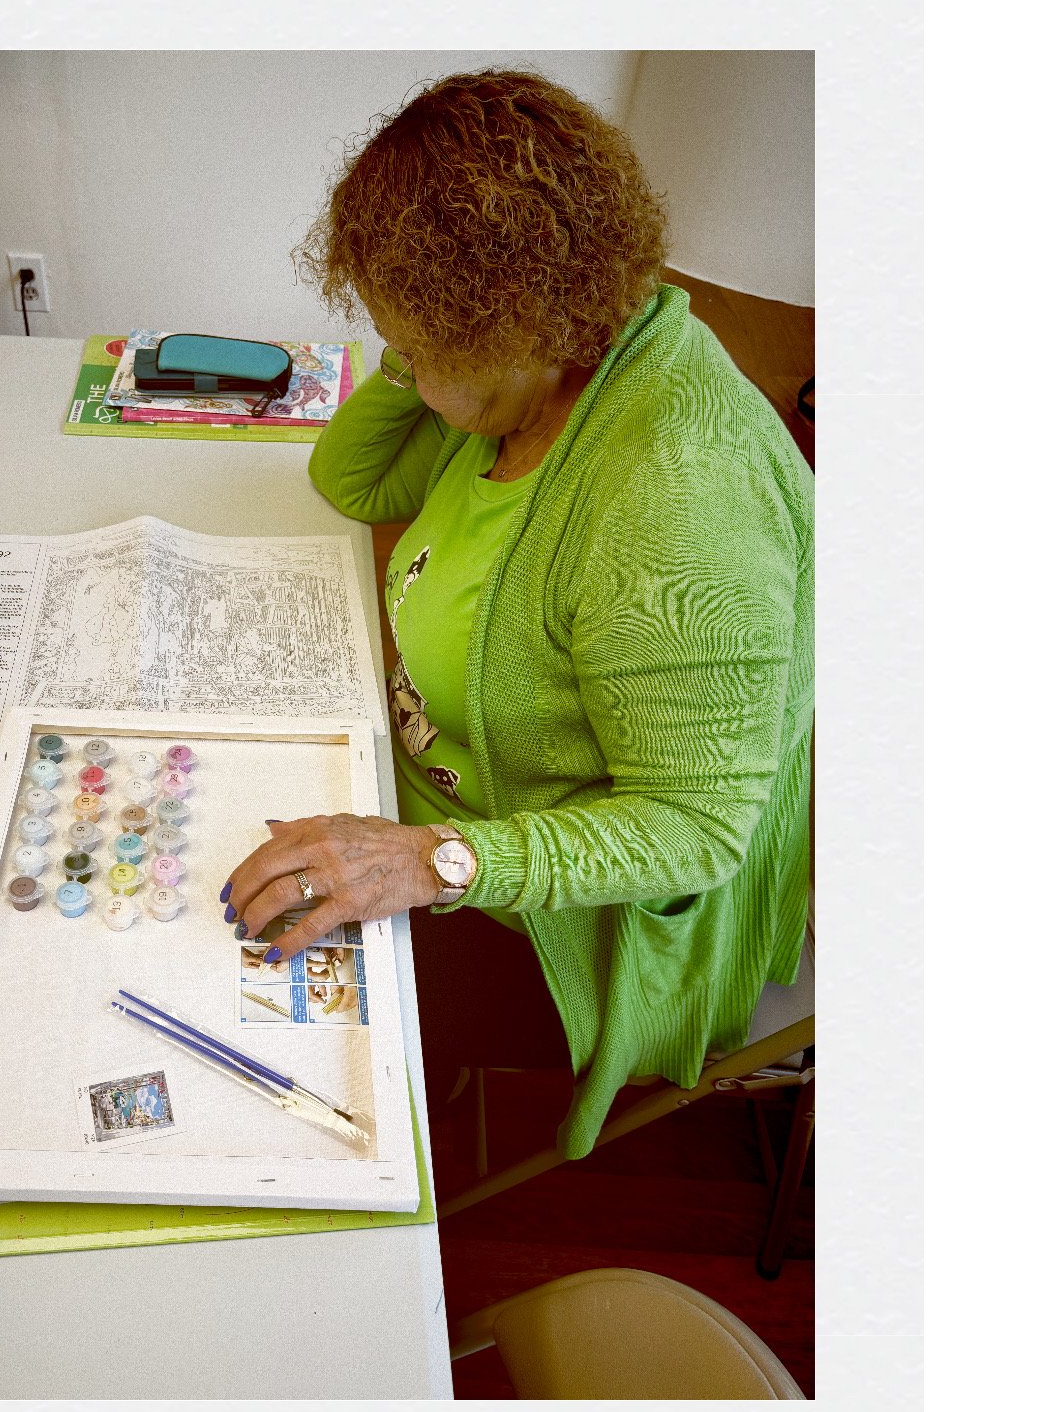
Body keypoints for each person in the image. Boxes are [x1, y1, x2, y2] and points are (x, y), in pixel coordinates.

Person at [219, 68, 814, 1159]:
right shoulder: (543, 369)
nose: (408, 370)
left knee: (277, 1069)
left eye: (422, 349)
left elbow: (697, 832)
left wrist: (429, 863)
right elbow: (358, 485)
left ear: (525, 325)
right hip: (414, 770)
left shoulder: (675, 502)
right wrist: (422, 360)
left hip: (557, 903)